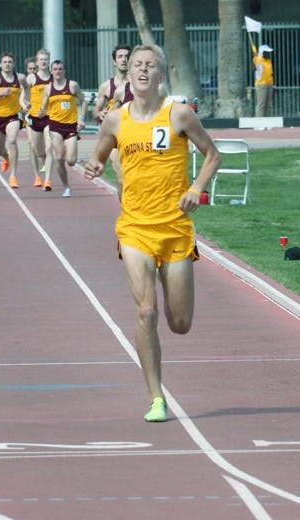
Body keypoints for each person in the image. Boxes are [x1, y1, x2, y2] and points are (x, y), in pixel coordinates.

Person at [84, 44, 221, 422]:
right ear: (128, 75)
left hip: (175, 229)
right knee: (146, 310)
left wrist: (196, 189)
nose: (143, 70)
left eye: (151, 66)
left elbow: (213, 154)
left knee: (179, 323)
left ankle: (172, 288)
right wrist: (94, 167)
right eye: (137, 65)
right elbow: (97, 157)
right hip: (134, 229)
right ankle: (156, 397)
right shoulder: (114, 120)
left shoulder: (178, 115)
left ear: (162, 75)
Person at [38, 60, 87, 197]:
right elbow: (44, 106)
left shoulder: (72, 85)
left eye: (60, 69)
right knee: (59, 158)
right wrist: (41, 112)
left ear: (64, 71)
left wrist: (81, 119)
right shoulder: (48, 88)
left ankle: (67, 152)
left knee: (71, 161)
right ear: (51, 71)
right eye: (55, 69)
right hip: (55, 126)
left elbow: (83, 101)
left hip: (71, 126)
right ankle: (66, 187)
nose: (58, 72)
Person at [0, 52, 29, 188]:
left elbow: (26, 88)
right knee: (0, 150)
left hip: (13, 117)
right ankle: (6, 158)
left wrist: (26, 101)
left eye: (10, 62)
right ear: (0, 64)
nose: (7, 64)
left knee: (12, 141)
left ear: (14, 64)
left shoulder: (20, 78)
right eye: (5, 62)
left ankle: (13, 176)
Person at [93, 44, 134, 200]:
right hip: (114, 139)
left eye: (127, 56)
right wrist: (101, 113)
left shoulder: (139, 85)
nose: (124, 59)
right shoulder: (106, 87)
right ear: (114, 62)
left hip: (135, 135)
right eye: (120, 57)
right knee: (121, 177)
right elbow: (96, 111)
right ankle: (126, 211)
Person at [23, 49, 54, 191]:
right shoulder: (31, 79)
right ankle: (37, 176)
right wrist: (25, 105)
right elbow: (22, 97)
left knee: (49, 148)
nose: (43, 62)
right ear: (37, 61)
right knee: (36, 149)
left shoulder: (54, 78)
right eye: (41, 59)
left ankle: (47, 180)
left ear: (49, 61)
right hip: (34, 117)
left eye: (46, 59)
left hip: (49, 117)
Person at [251, 43, 274, 116]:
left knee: (268, 105)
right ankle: (259, 122)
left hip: (269, 84)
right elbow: (255, 59)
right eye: (267, 52)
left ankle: (267, 122)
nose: (268, 53)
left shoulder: (268, 61)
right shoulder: (258, 60)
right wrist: (254, 48)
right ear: (262, 53)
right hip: (261, 84)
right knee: (261, 105)